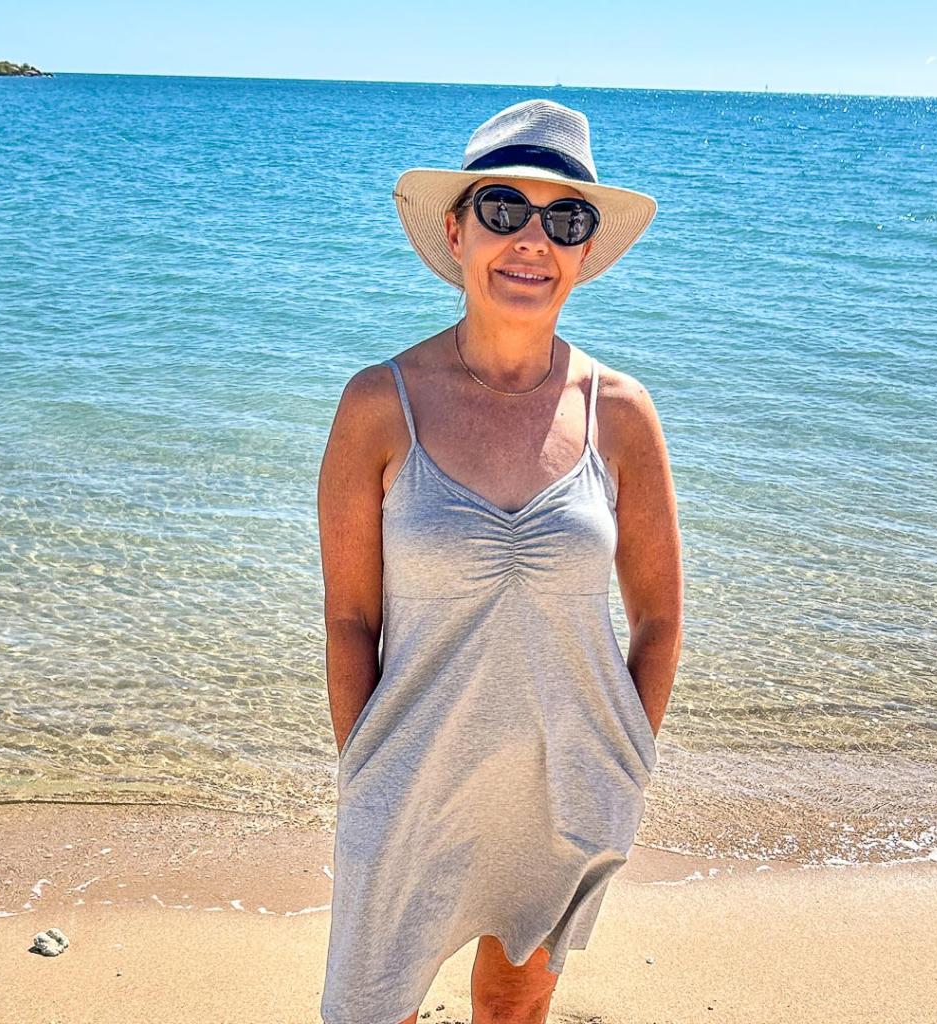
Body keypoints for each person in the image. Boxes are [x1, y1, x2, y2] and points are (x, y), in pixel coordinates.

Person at [316, 99, 683, 1024]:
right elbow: (350, 617)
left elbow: (660, 617)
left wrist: (627, 756)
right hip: (411, 773)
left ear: (585, 249)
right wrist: (365, 764)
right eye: (503, 209)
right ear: (457, 227)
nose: (532, 240)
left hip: (569, 777)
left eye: (565, 218)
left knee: (515, 1007)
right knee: (369, 1010)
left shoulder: (622, 411)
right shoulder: (378, 402)